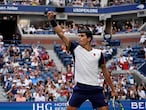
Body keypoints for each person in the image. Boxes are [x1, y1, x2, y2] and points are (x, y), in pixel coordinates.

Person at [47, 11, 118, 110]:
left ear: (89, 39)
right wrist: (52, 21)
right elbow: (61, 34)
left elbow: (106, 73)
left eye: (82, 36)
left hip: (95, 88)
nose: (79, 38)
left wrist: (113, 89)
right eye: (79, 36)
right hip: (80, 88)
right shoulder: (75, 48)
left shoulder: (98, 53)